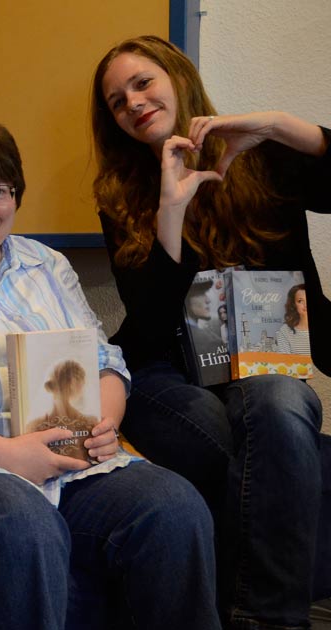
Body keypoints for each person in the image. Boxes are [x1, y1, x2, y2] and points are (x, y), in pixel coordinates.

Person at [0, 119, 219, 630]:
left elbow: (104, 364)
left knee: (172, 506)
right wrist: (8, 457)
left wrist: (104, 425)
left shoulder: (46, 264)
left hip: (71, 462)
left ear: (15, 198)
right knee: (19, 516)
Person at [91, 34, 329, 628]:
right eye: (118, 101)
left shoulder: (261, 158)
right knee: (264, 448)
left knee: (279, 401)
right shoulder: (121, 196)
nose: (134, 103)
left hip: (262, 367)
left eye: (142, 82)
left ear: (176, 75)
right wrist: (170, 209)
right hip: (164, 374)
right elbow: (145, 326)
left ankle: (261, 619)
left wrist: (277, 125)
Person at [276, 284, 310, 355]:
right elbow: (285, 362)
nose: (305, 304)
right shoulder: (285, 331)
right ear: (293, 304)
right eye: (300, 301)